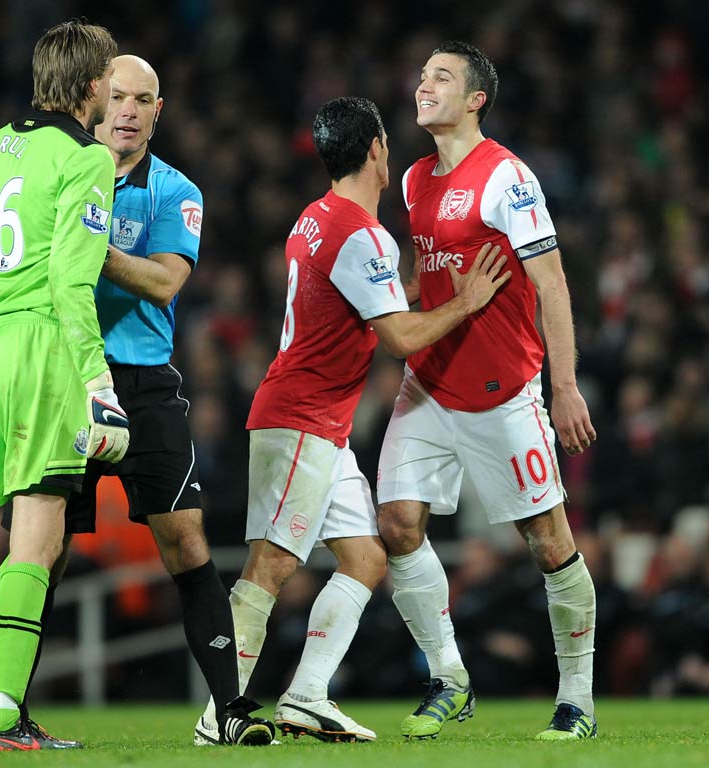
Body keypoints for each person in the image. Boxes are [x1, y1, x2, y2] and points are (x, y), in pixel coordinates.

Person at [195, 96, 510, 744]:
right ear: (375, 150)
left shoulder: (313, 221)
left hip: (320, 426)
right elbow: (398, 337)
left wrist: (420, 288)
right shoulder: (359, 233)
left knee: (366, 557)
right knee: (269, 567)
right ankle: (217, 717)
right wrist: (468, 301)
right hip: (299, 420)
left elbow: (362, 305)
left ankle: (307, 696)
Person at [375, 41, 599, 741]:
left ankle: (579, 700)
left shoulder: (507, 177)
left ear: (476, 99)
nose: (422, 85)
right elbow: (426, 276)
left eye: (440, 77)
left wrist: (563, 385)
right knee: (397, 523)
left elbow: (552, 282)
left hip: (504, 391)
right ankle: (450, 677)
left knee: (547, 540)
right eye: (421, 75)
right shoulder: (412, 181)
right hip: (429, 387)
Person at [0, 20, 131, 751]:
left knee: (27, 530)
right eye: (109, 84)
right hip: (41, 346)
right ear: (90, 88)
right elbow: (68, 277)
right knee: (39, 538)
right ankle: (0, 717)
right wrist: (98, 381)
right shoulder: (86, 160)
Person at [83, 54, 273, 746]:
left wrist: (90, 245)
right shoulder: (57, 177)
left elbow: (164, 283)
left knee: (186, 541)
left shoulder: (175, 191)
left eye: (142, 99)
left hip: (142, 381)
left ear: (158, 111)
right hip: (70, 378)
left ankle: (229, 709)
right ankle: (5, 706)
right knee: (40, 547)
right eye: (117, 97)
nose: (128, 111)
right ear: (95, 101)